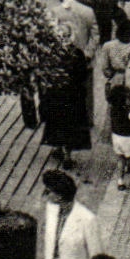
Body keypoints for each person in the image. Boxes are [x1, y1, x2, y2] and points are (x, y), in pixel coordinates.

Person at [39, 169, 104, 259]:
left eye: (48, 192)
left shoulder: (87, 220)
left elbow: (97, 257)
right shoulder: (51, 211)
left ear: (59, 196)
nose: (45, 195)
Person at [35, 11, 92, 169]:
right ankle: (67, 155)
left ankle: (59, 148)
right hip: (72, 96)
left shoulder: (51, 54)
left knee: (56, 122)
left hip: (55, 95)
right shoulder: (77, 54)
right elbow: (82, 75)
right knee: (71, 124)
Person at [107, 83, 130, 195]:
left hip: (116, 137)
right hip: (129, 138)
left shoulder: (113, 110)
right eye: (129, 97)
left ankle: (120, 181)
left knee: (121, 159)